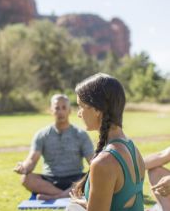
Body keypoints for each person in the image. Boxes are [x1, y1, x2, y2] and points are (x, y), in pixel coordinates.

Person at [69, 73, 145, 211]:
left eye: (81, 106)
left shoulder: (104, 162)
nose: (79, 113)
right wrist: (84, 203)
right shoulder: (133, 148)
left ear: (97, 109)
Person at [14, 94, 94, 200]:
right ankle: (65, 195)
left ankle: (56, 197)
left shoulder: (81, 134)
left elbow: (92, 162)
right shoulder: (42, 134)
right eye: (56, 108)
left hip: (75, 180)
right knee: (26, 178)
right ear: (51, 110)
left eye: (64, 108)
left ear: (69, 110)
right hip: (50, 181)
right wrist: (23, 167)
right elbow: (31, 161)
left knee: (92, 176)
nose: (60, 111)